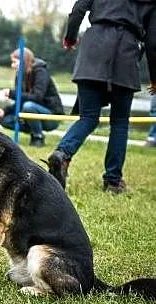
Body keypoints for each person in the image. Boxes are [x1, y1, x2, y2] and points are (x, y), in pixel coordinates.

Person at [47, 0, 156, 193]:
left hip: (93, 54)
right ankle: (113, 181)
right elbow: (153, 41)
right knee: (120, 122)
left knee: (88, 117)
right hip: (126, 57)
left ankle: (63, 154)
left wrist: (70, 38)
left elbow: (77, 10)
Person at [0, 48, 64, 147]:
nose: (12, 66)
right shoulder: (19, 76)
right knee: (4, 119)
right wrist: (4, 111)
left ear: (24, 61)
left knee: (28, 106)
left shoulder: (41, 72)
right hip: (29, 111)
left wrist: (12, 94)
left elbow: (37, 97)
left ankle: (38, 136)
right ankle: (34, 130)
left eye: (14, 62)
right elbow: (21, 100)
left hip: (50, 116)